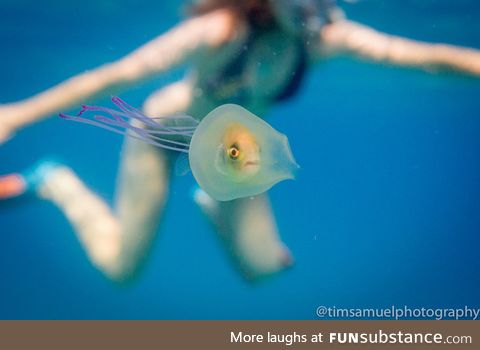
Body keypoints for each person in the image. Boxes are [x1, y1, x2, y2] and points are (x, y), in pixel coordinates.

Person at [0, 0, 479, 282]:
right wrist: (17, 113)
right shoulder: (219, 29)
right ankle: (54, 182)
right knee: (121, 269)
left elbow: (423, 57)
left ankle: (213, 198)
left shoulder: (327, 37)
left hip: (231, 158)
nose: (308, 9)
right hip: (159, 136)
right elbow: (118, 74)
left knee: (264, 270)